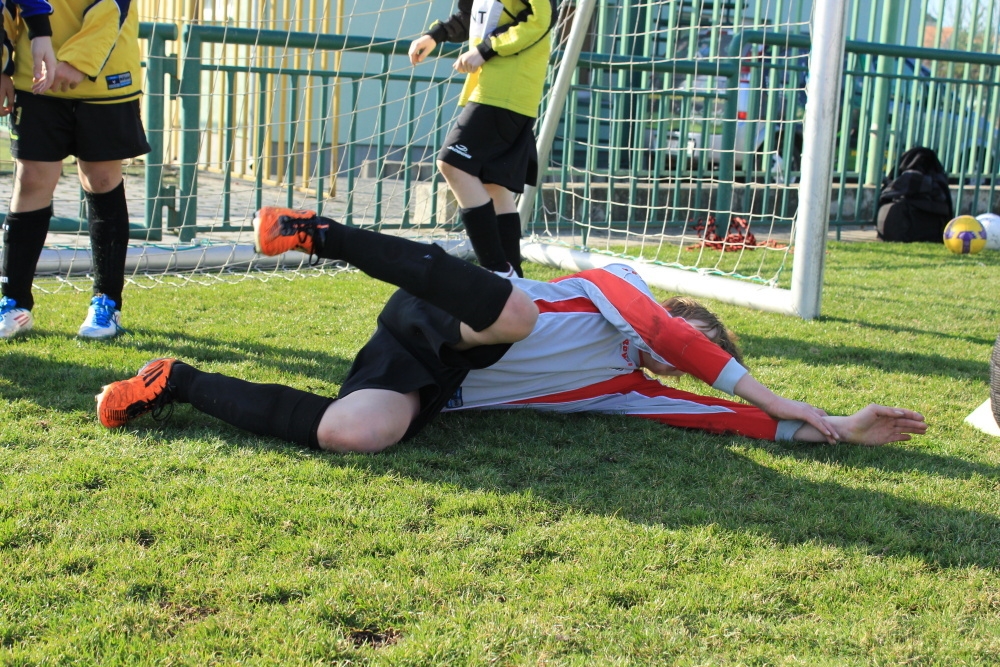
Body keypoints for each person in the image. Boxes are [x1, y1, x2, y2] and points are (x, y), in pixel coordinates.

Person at [95, 207, 928, 453]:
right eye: (690, 338)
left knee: (357, 432)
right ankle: (319, 233)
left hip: (430, 365)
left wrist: (841, 430)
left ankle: (175, 380)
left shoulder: (628, 391)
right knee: (519, 309)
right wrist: (783, 387)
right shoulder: (620, 292)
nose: (667, 358)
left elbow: (734, 417)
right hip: (452, 303)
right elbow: (673, 339)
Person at [0, 0, 149, 339]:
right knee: (32, 179)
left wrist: (78, 61)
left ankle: (106, 303)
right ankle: (14, 302)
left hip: (106, 78)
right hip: (34, 77)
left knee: (101, 179)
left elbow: (113, 5)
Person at [408, 0, 558, 277]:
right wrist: (436, 35)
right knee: (492, 183)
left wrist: (485, 50)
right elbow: (472, 16)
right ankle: (514, 280)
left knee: (453, 163)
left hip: (509, 87)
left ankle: (497, 272)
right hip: (492, 87)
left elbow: (540, 18)